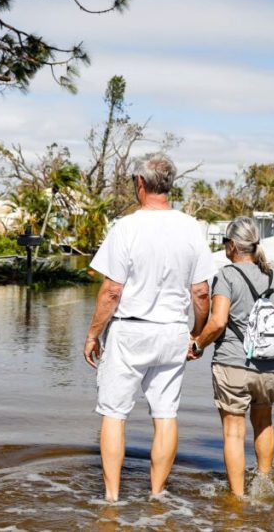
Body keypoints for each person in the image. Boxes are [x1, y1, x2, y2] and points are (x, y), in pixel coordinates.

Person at [83, 153, 214, 502]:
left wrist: (93, 333)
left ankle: (111, 499)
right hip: (173, 331)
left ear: (140, 184)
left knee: (114, 414)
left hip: (130, 331)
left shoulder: (126, 227)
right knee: (166, 414)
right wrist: (196, 335)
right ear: (169, 185)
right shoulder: (192, 228)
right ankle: (158, 496)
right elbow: (201, 292)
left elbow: (112, 291)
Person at [188, 216, 274, 499]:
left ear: (232, 245)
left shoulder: (227, 276)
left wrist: (197, 345)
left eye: (224, 243)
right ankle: (264, 485)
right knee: (264, 423)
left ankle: (238, 499)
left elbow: (218, 322)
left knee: (234, 431)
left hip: (233, 364)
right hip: (271, 367)